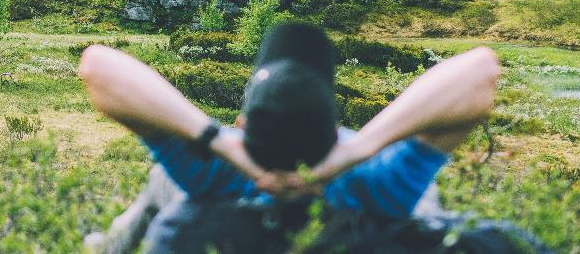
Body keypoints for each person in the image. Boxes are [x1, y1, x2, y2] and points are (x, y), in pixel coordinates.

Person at [79, 23, 531, 252]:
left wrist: (219, 143)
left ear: (242, 123)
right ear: (334, 129)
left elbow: (98, 65)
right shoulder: (376, 183)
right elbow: (480, 69)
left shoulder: (215, 174)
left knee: (158, 190)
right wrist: (358, 149)